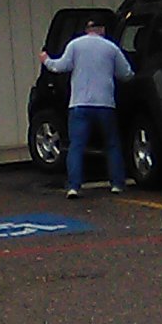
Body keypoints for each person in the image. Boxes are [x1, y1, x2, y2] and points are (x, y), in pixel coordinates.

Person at [40, 18, 133, 197]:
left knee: (76, 146)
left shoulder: (75, 45)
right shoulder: (111, 48)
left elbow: (60, 67)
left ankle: (74, 186)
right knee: (112, 144)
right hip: (105, 104)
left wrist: (46, 60)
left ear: (87, 29)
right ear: (102, 29)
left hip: (79, 104)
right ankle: (117, 184)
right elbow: (125, 73)